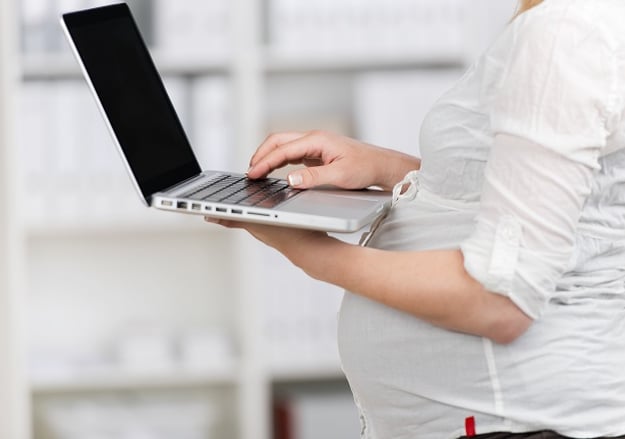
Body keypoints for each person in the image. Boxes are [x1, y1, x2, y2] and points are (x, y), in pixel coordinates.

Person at [207, 0, 625, 437]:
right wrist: (386, 168)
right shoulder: (565, 21)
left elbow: (499, 300)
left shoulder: (568, 29)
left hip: (520, 417)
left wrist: (307, 248)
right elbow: (545, 198)